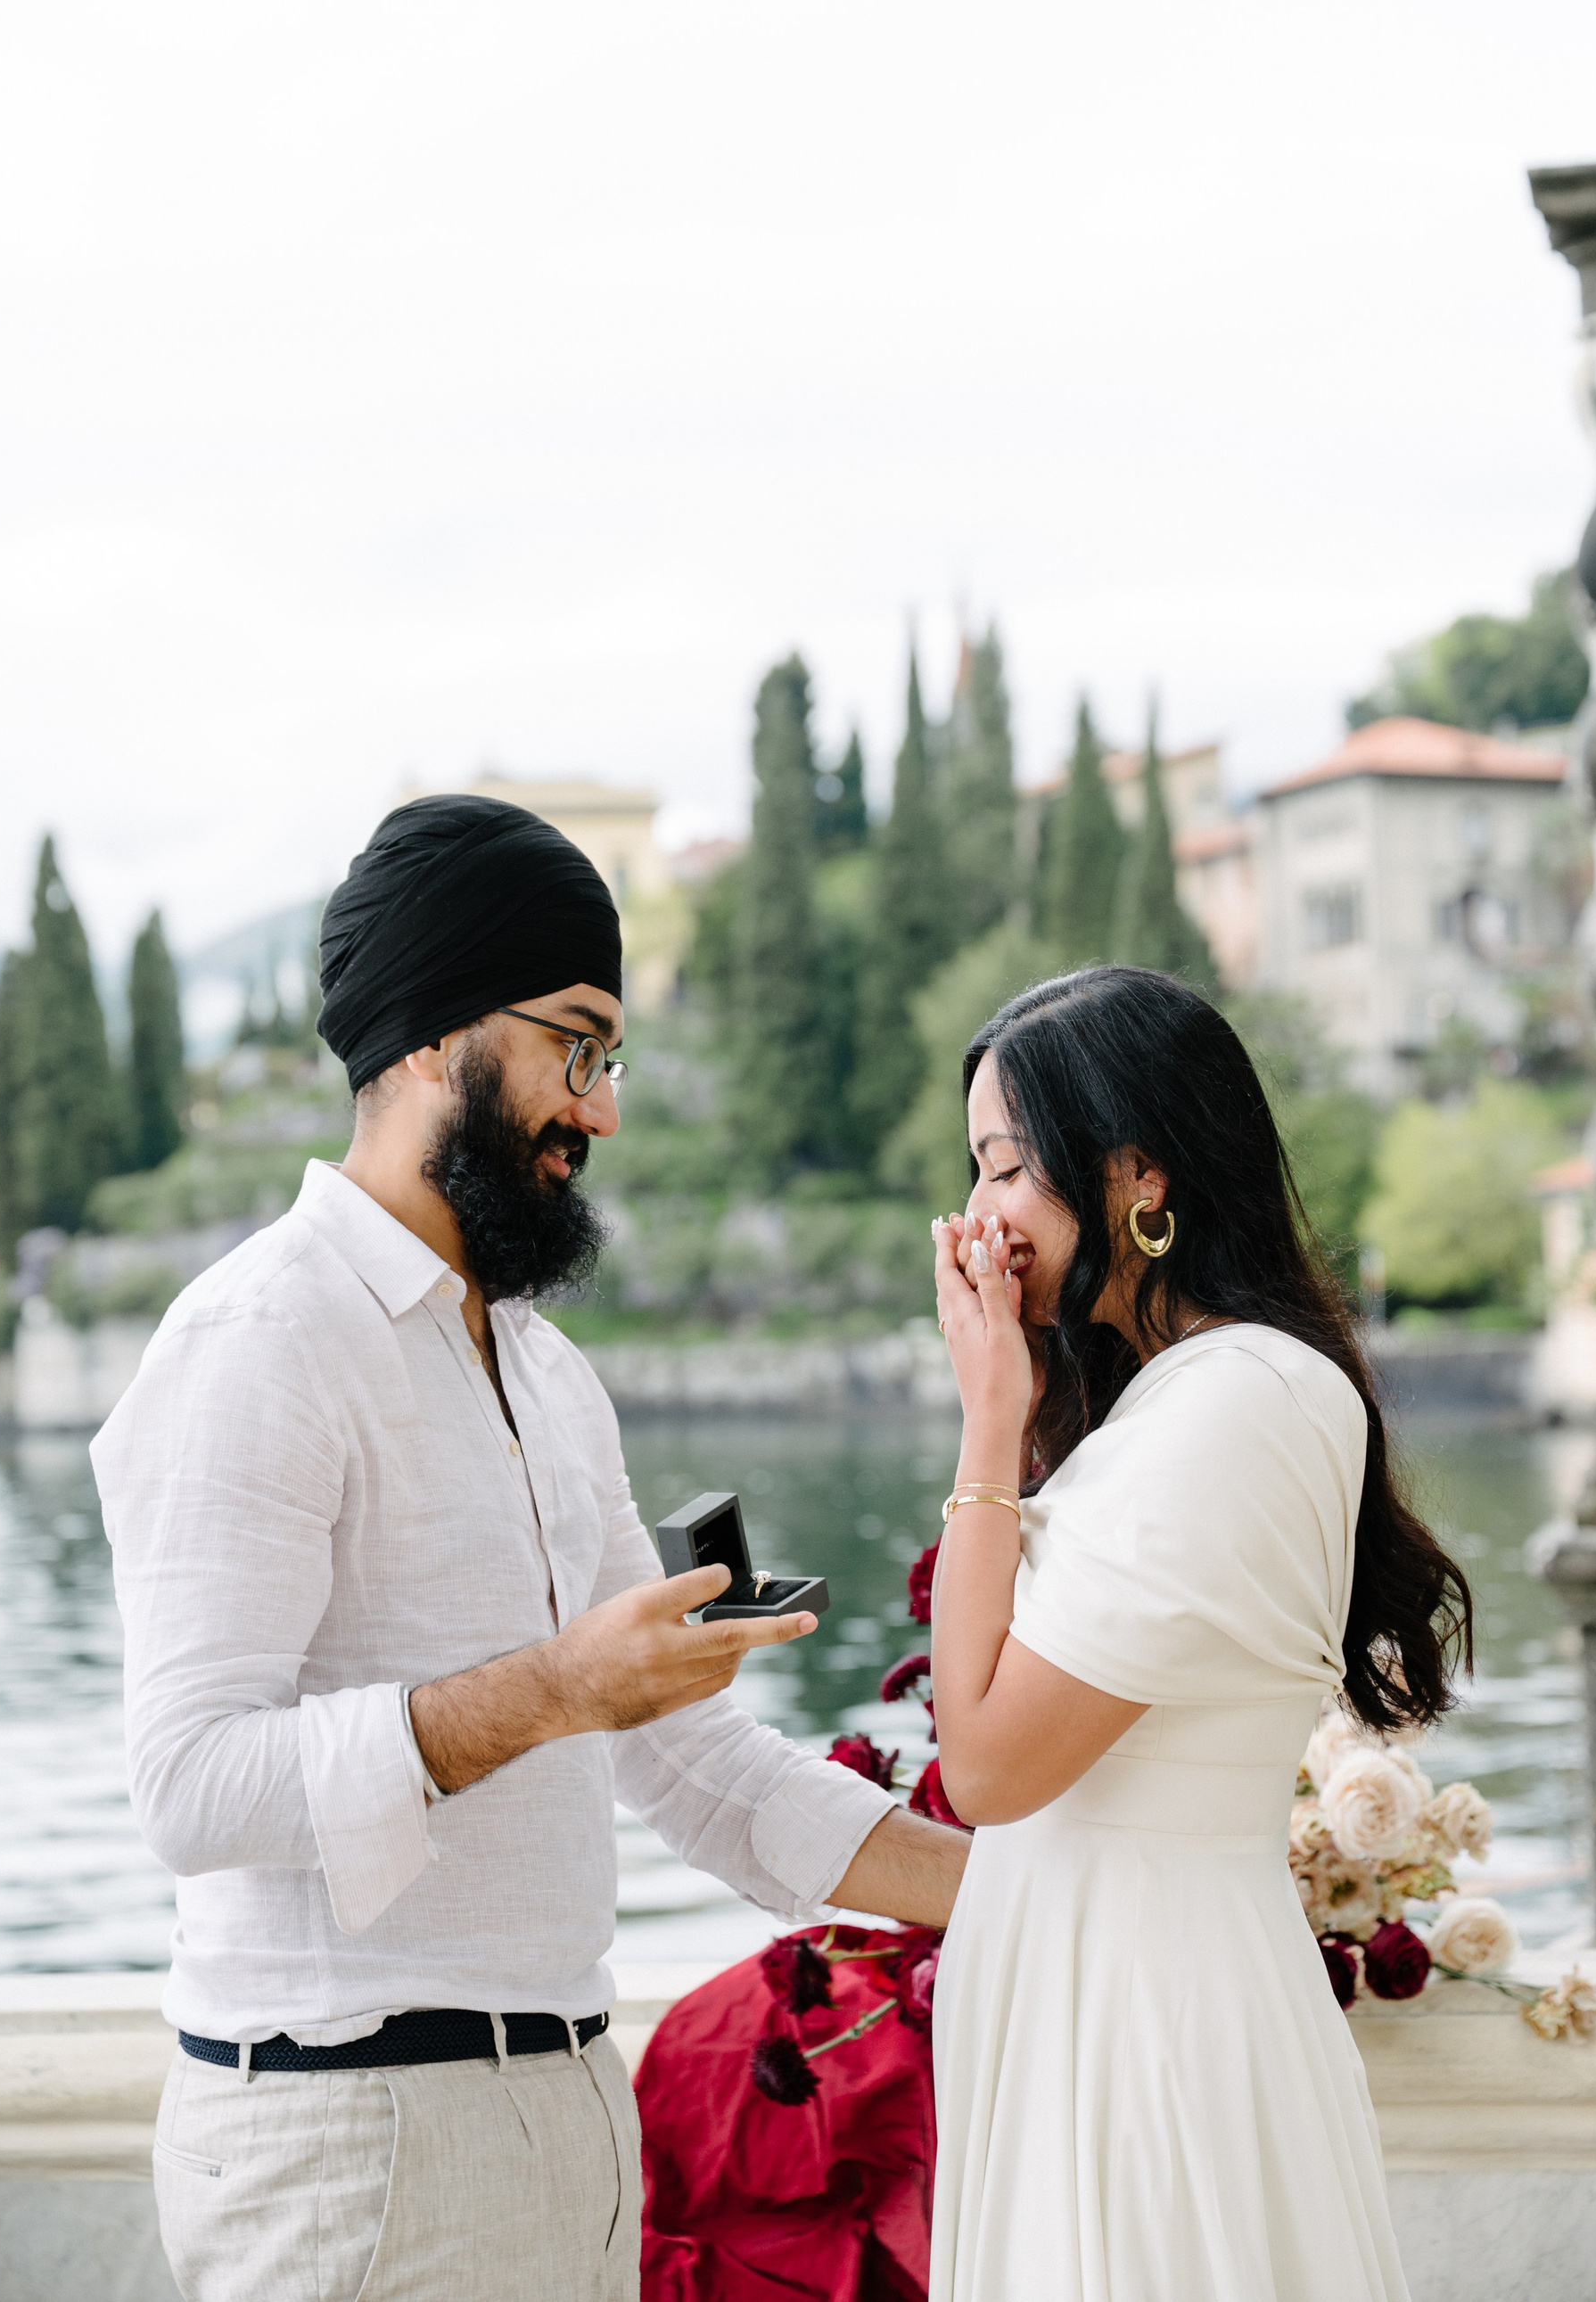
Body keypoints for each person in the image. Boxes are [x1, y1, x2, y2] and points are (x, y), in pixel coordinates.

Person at [91, 793, 967, 2302]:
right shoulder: (259, 1339)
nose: (601, 1109)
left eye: (610, 1058)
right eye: (575, 1047)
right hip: (350, 2150)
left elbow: (697, 1765)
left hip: (565, 2116)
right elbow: (190, 1785)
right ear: (436, 1035)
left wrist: (1040, 1890)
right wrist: (558, 1688)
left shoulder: (548, 1373)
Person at [923, 965, 1470, 2302]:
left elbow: (984, 1766)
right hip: (1102, 1987)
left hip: (1144, 2017)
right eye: (978, 1170)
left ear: (1137, 1175)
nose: (981, 1214)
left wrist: (988, 1419)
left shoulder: (1238, 1402)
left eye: (1009, 1166)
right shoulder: (1183, 1398)